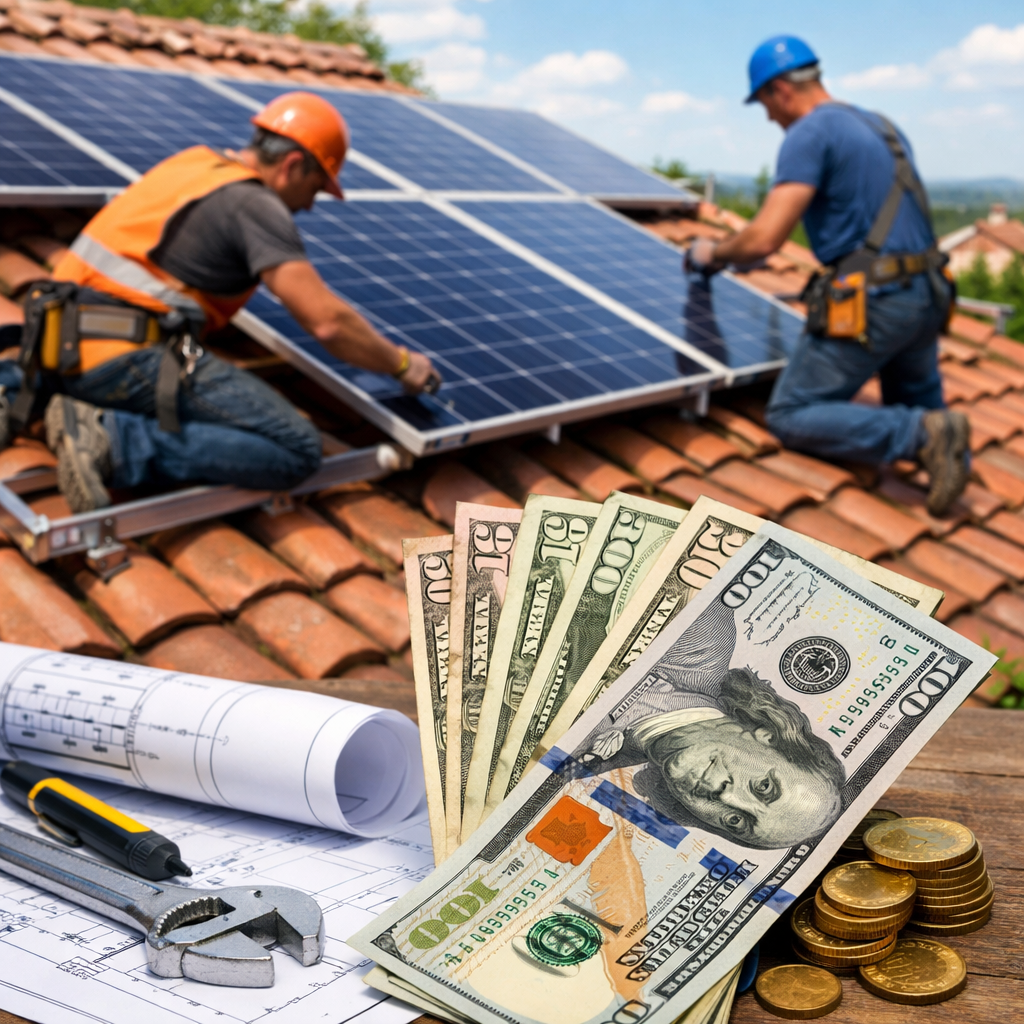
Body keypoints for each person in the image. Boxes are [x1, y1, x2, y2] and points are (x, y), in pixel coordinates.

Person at [1, 92, 440, 512]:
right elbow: (327, 323)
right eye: (316, 187)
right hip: (122, 357)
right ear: (291, 166)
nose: (310, 205)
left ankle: (15, 386)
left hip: (52, 340)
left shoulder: (194, 163)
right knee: (297, 449)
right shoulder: (256, 205)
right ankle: (115, 441)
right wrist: (402, 364)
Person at [686, 37, 967, 517]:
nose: (771, 119)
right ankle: (939, 439)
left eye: (765, 106)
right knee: (919, 400)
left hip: (876, 300)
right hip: (928, 293)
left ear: (780, 90)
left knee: (791, 414)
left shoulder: (809, 134)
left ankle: (918, 435)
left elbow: (762, 240)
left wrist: (711, 252)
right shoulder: (883, 126)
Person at [571, 598, 845, 851]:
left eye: (735, 821)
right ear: (768, 736)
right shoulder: (703, 637)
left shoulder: (572, 764)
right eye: (763, 787)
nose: (727, 798)